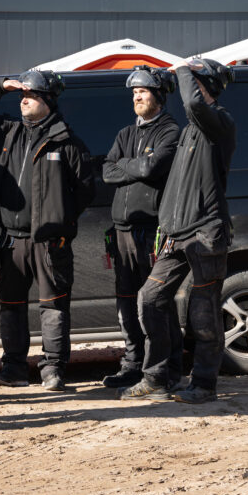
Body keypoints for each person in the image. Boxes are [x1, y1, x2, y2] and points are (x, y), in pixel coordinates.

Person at [0, 69, 95, 392]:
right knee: (11, 306)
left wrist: (58, 221)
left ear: (48, 101)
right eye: (23, 95)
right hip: (11, 239)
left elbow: (85, 191)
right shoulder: (8, 131)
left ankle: (53, 370)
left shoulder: (67, 141)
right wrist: (0, 86)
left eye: (31, 95)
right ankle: (14, 370)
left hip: (49, 242)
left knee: (53, 306)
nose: (23, 100)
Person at [121, 58, 236, 404]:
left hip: (206, 234)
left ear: (205, 87)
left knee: (203, 312)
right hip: (177, 234)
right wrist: (167, 226)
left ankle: (204, 384)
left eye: (194, 85)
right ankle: (157, 378)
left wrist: (183, 69)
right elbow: (177, 186)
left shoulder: (220, 123)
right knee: (150, 298)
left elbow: (194, 105)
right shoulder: (189, 131)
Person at [100, 66, 181, 390]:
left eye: (143, 92)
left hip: (152, 232)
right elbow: (107, 171)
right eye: (134, 93)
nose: (137, 97)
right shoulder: (125, 134)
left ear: (159, 96)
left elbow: (151, 167)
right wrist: (132, 166)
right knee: (127, 302)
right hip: (122, 232)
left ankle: (167, 370)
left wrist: (126, 165)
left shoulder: (169, 131)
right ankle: (133, 366)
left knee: (156, 302)